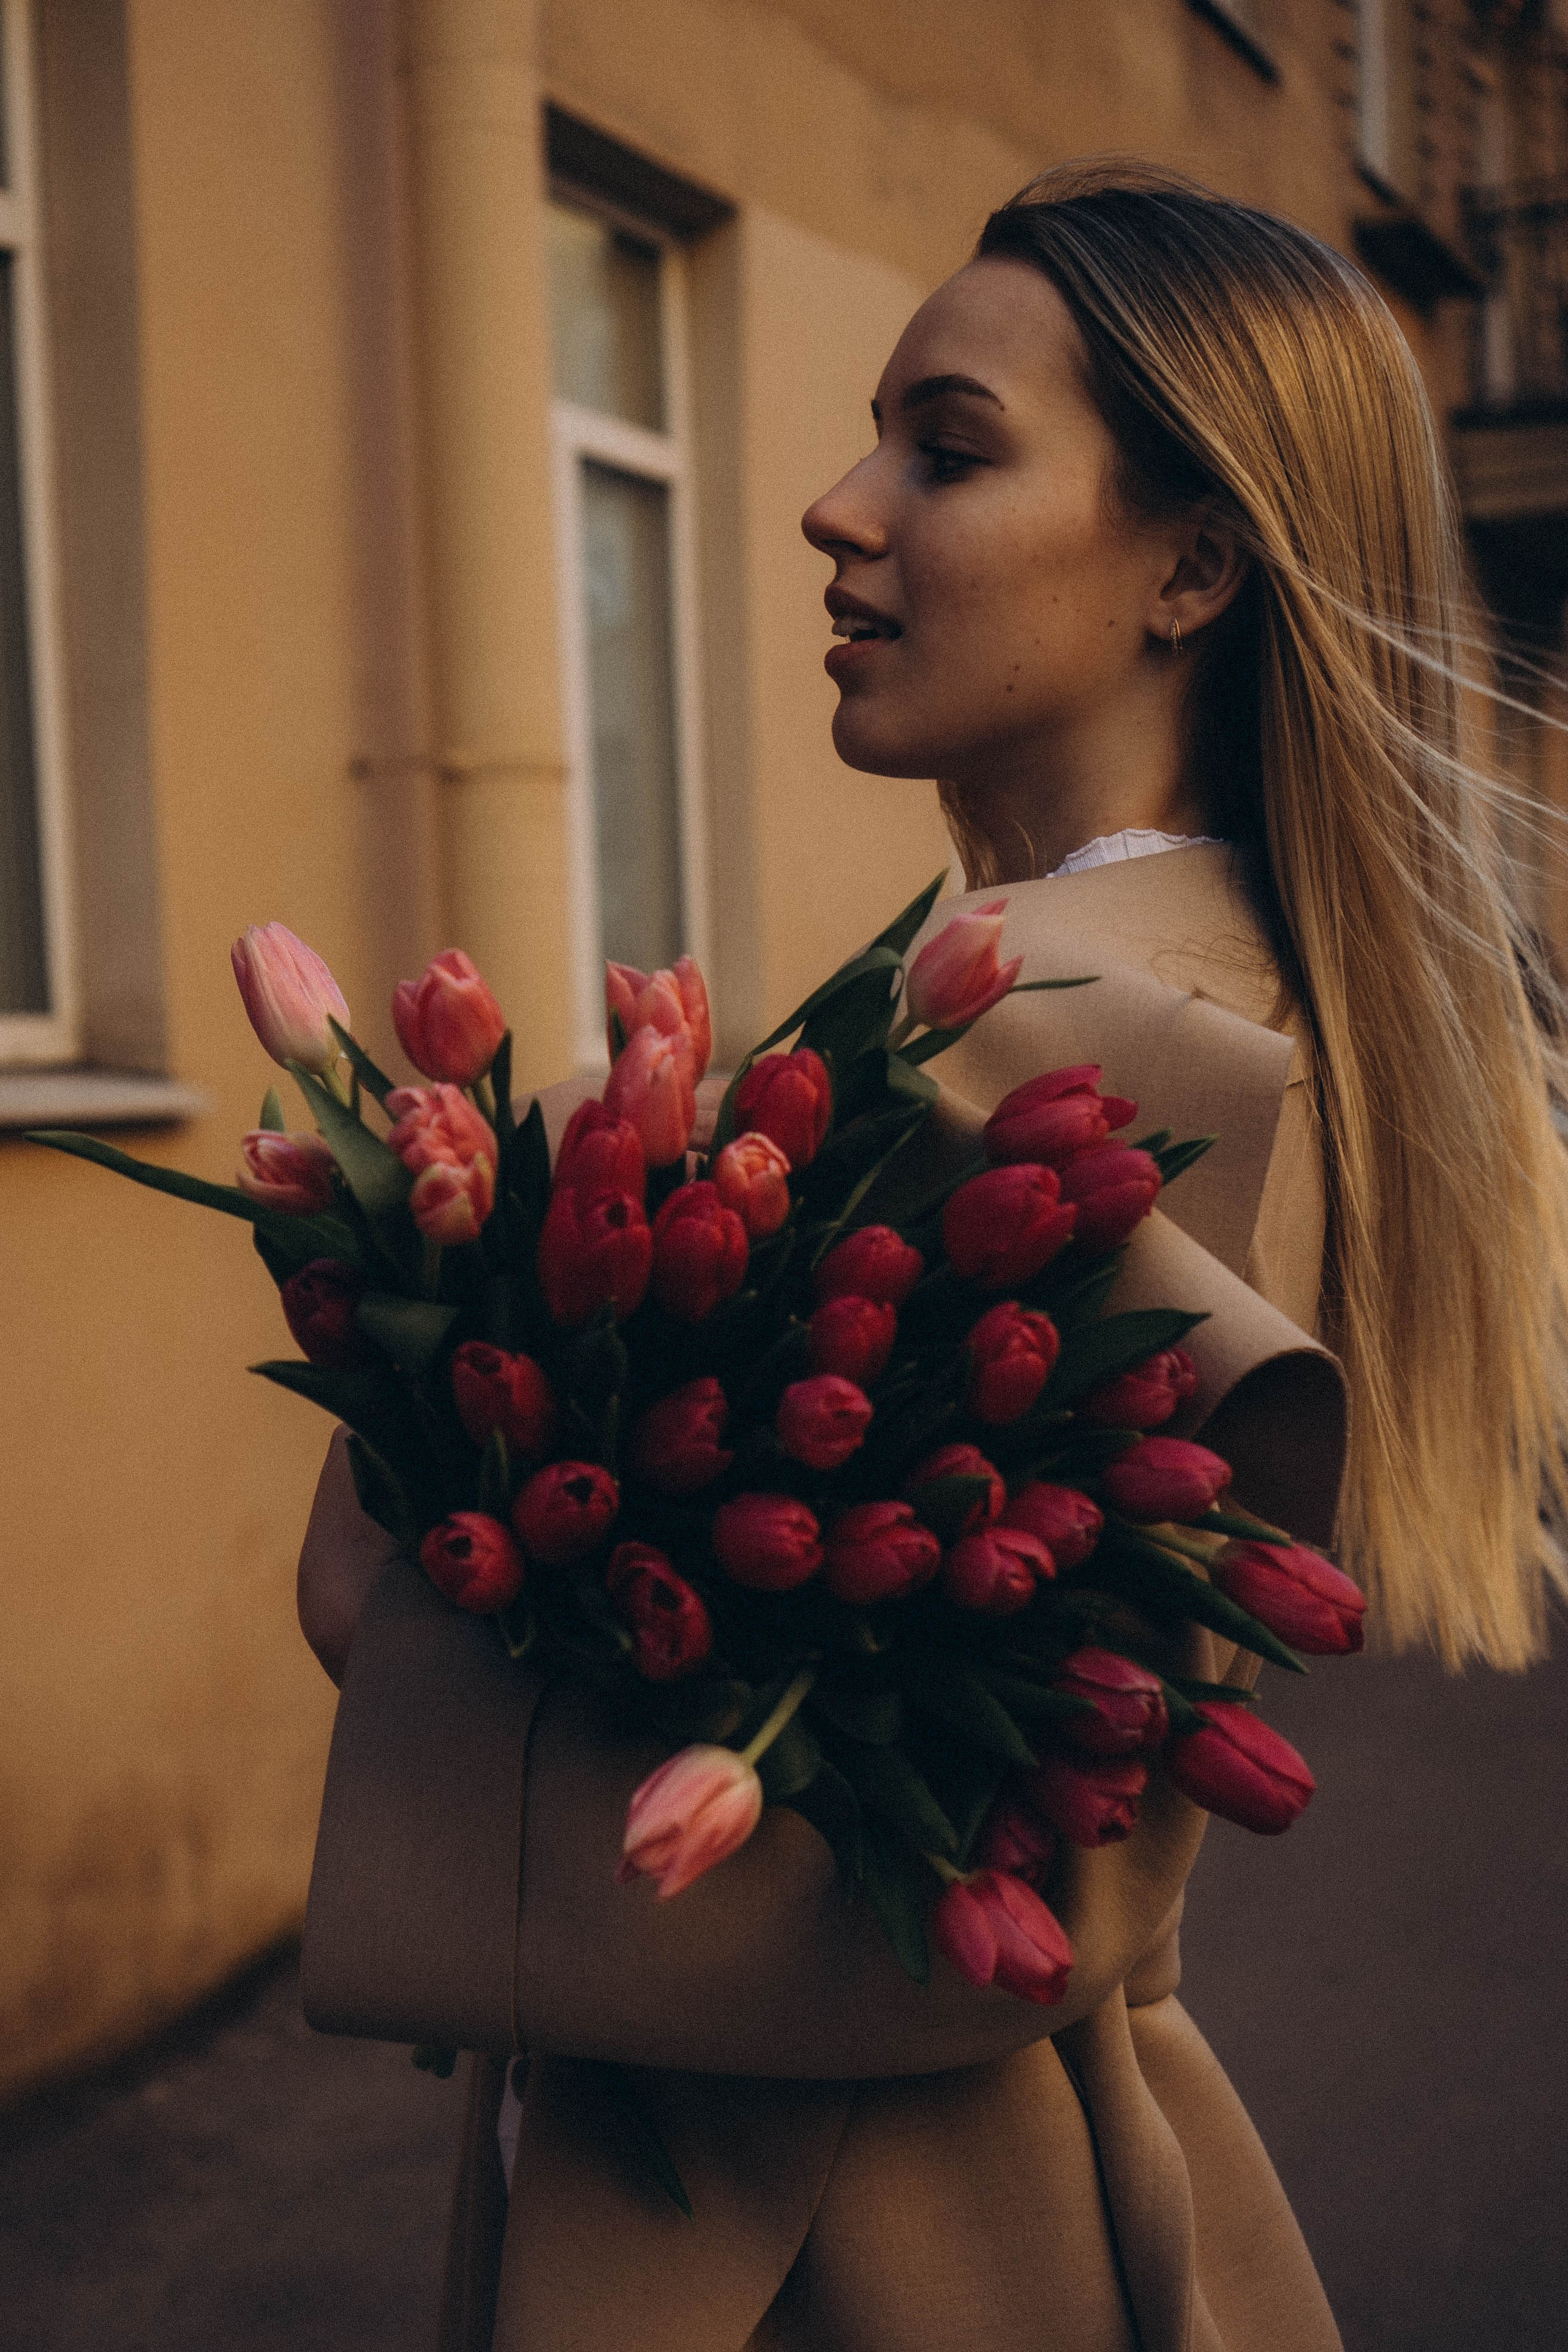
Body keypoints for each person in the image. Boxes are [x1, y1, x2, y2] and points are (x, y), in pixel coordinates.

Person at [295, 164, 1568, 2351]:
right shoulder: (1253, 983)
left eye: (946, 449)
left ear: (1190, 564)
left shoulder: (1076, 1033)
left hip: (803, 2218)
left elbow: (471, 1630)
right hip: (1010, 2164)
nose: (830, 504)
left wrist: (440, 1390)